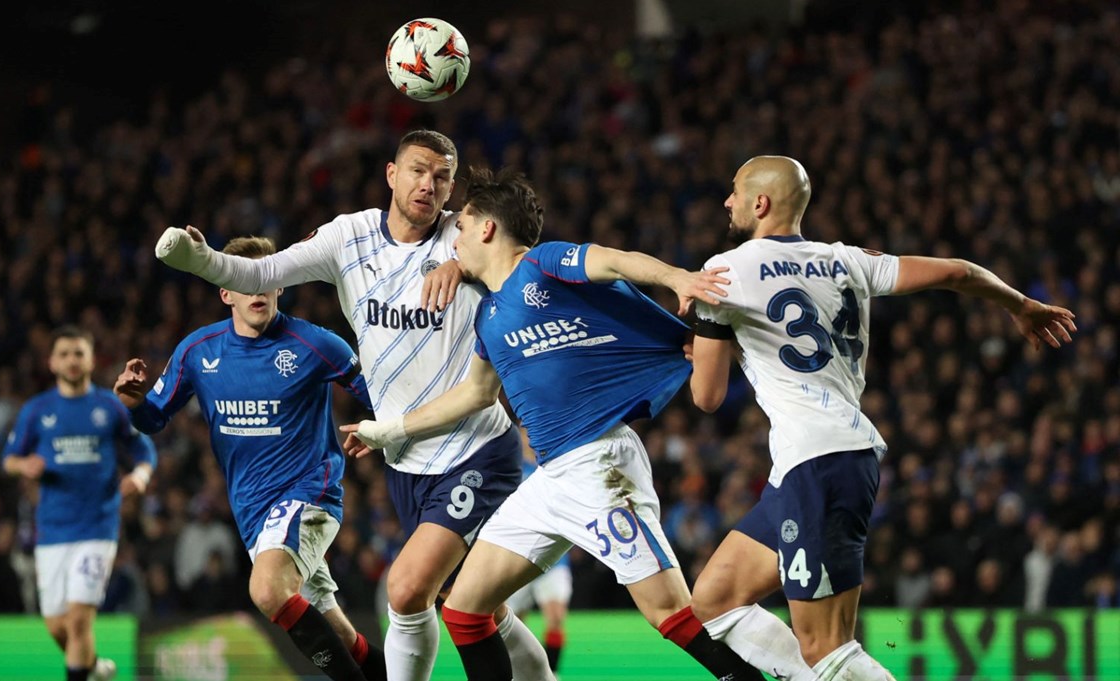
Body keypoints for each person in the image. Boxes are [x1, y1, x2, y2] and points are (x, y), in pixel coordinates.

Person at [153, 130, 553, 680]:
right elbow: (263, 273)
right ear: (392, 174)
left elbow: (524, 258)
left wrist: (464, 265)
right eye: (417, 170)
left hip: (475, 446)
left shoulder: (466, 238)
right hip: (408, 460)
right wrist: (202, 260)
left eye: (441, 177)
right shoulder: (350, 236)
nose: (428, 185)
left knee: (409, 589)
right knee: (472, 602)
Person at [343, 166, 766, 681]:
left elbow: (612, 261)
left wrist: (677, 277)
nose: (453, 236)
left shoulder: (541, 264)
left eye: (463, 224)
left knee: (669, 613)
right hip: (549, 481)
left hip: (600, 466)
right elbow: (475, 393)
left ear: (487, 229)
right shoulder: (490, 315)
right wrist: (390, 430)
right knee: (465, 608)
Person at [686, 155, 1077, 680]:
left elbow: (707, 397)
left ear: (761, 203)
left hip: (817, 459)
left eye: (734, 191)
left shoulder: (724, 271)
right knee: (716, 598)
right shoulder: (847, 260)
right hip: (828, 456)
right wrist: (1019, 303)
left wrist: (711, 343)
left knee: (825, 645)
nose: (727, 201)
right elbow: (958, 272)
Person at [113, 236, 386, 681]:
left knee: (266, 589)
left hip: (309, 494)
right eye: (245, 280)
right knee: (340, 635)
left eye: (268, 278)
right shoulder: (199, 351)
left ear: (282, 284)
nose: (257, 289)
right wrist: (132, 402)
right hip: (253, 514)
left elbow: (384, 397)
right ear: (225, 290)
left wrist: (386, 431)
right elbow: (154, 419)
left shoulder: (316, 344)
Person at [2, 325, 158, 681]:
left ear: (91, 359)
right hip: (52, 529)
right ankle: (92, 667)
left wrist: (140, 476)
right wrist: (23, 465)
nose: (72, 360)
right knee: (57, 624)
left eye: (79, 353)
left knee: (77, 620)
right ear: (52, 362)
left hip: (97, 526)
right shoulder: (37, 410)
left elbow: (143, 448)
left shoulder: (109, 407)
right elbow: (9, 458)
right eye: (65, 354)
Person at [504, 446, 572, 675]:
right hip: (519, 556)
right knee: (515, 623)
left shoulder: (556, 465)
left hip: (555, 559)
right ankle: (520, 672)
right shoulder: (510, 469)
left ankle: (552, 673)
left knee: (555, 617)